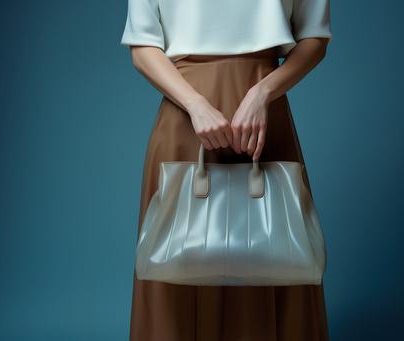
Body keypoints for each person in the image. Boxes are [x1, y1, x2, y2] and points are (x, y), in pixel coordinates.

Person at [120, 0, 332, 340]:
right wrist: (194, 104)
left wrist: (264, 93)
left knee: (272, 253)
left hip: (263, 116)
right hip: (185, 115)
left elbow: (315, 38)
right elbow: (142, 46)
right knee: (176, 257)